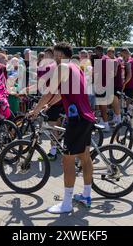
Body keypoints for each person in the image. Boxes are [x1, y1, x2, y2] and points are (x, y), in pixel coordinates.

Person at [30, 42, 95, 213]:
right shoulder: (76, 68)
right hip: (87, 117)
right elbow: (59, 94)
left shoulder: (62, 68)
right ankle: (86, 196)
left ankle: (66, 204)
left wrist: (35, 110)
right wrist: (47, 106)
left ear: (60, 56)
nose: (54, 60)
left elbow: (49, 92)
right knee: (85, 157)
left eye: (56, 57)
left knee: (67, 161)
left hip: (76, 120)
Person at [92, 46, 111, 132]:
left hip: (101, 85)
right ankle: (104, 122)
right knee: (102, 106)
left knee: (102, 107)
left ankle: (106, 125)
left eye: (95, 52)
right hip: (105, 85)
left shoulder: (103, 60)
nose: (94, 53)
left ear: (98, 51)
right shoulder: (106, 58)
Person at [106, 47, 123, 125]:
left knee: (115, 102)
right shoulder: (110, 61)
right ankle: (116, 118)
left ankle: (119, 120)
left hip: (116, 84)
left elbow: (114, 73)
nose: (108, 55)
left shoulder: (115, 61)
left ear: (113, 53)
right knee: (113, 102)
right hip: (112, 84)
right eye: (108, 53)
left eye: (110, 53)